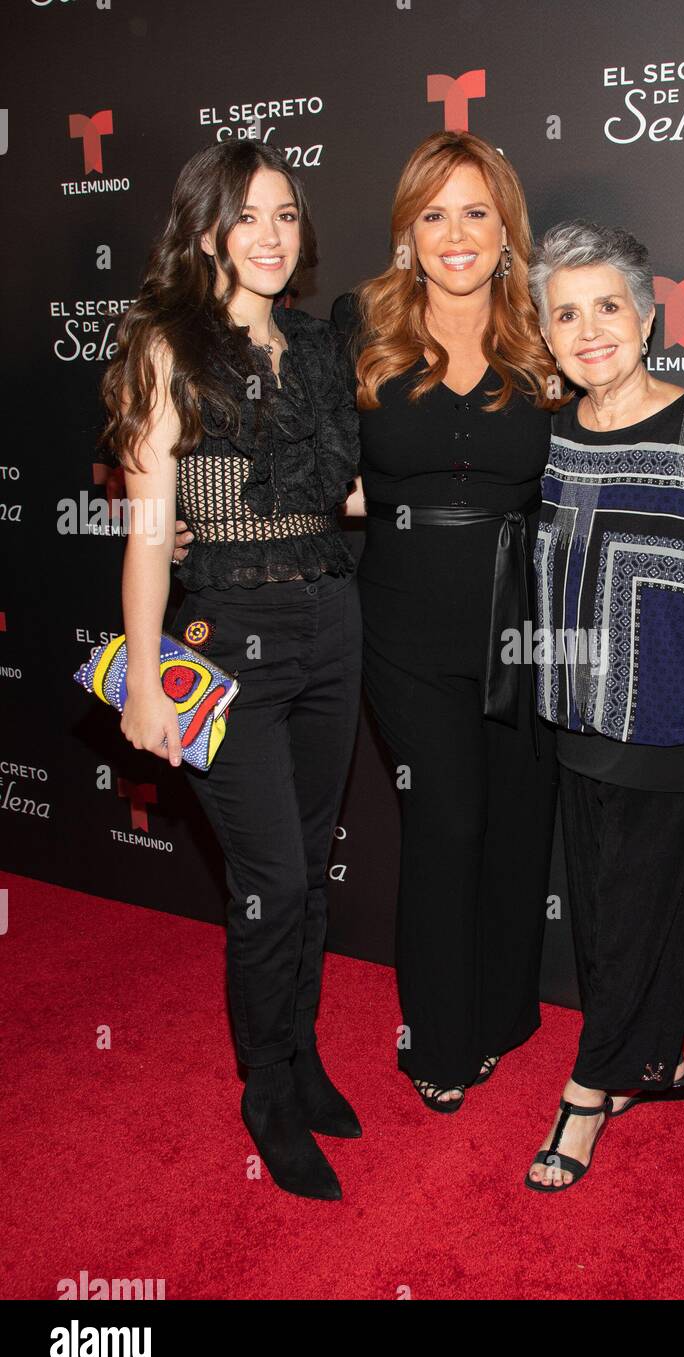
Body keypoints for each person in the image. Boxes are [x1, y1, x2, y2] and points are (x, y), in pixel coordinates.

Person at [103, 140, 363, 1201]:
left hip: (331, 622)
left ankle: (297, 1056)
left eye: (287, 216)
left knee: (305, 869)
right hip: (225, 635)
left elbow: (338, 497)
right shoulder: (167, 345)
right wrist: (147, 676)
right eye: (248, 215)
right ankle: (265, 1085)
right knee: (273, 882)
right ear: (205, 227)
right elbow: (150, 531)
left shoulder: (313, 347)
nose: (270, 235)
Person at [330, 132, 561, 1113]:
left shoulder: (545, 329)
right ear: (406, 231)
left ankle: (500, 1015)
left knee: (514, 826)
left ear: (504, 227)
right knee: (444, 822)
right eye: (432, 214)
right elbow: (307, 458)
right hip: (404, 625)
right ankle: (436, 1035)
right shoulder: (360, 324)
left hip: (527, 623)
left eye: (475, 212)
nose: (454, 234)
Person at [523, 221, 684, 1191]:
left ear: (646, 316)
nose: (588, 331)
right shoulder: (544, 438)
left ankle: (600, 1083)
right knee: (609, 908)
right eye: (563, 315)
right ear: (544, 337)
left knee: (656, 903)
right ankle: (628, 1068)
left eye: (605, 306)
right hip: (578, 714)